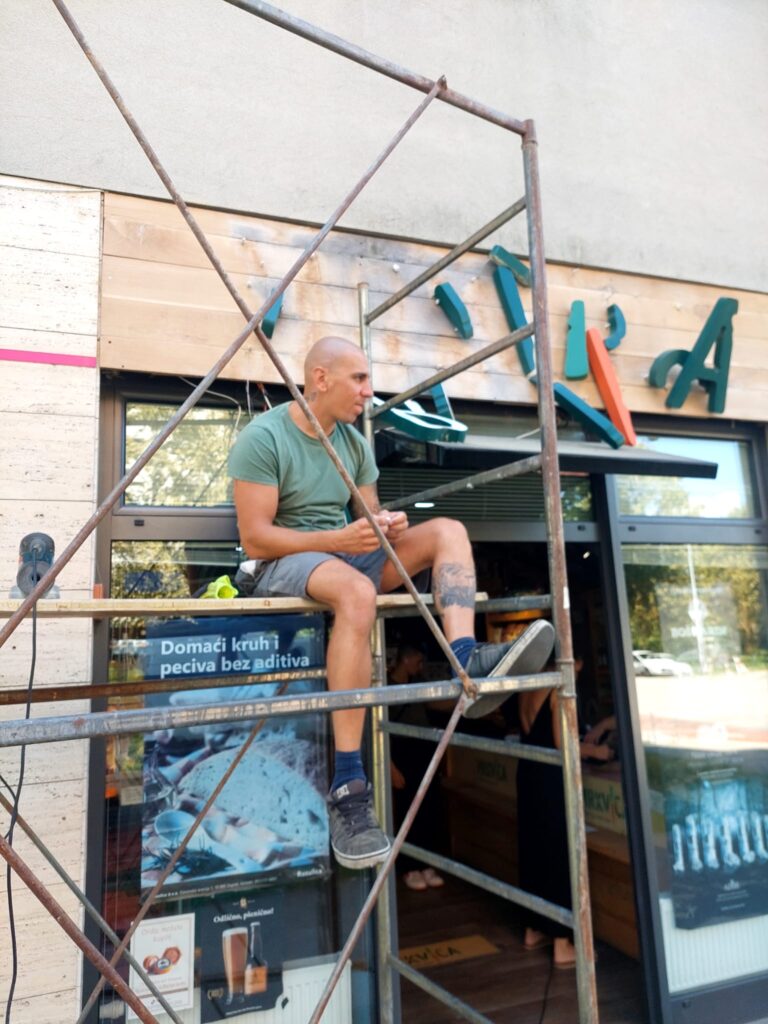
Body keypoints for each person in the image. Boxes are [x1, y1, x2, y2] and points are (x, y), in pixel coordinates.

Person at [229, 336, 554, 871]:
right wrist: (338, 539)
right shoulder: (265, 437)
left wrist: (386, 526)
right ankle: (348, 785)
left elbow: (369, 517)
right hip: (282, 564)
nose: (368, 391)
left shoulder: (353, 444)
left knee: (448, 530)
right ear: (320, 379)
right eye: (358, 378)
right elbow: (256, 539)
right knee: (357, 592)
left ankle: (466, 658)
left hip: (342, 558)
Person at [516, 656, 614, 968]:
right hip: (550, 777)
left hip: (528, 771)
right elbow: (561, 742)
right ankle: (561, 942)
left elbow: (533, 730)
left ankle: (533, 928)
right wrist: (596, 750)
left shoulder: (529, 686)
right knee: (558, 851)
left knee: (534, 848)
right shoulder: (559, 688)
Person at [388, 643, 447, 891]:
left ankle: (426, 862)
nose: (421, 666)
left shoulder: (417, 682)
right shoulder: (385, 686)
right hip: (401, 752)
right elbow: (378, 730)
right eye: (419, 661)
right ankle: (409, 867)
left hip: (422, 749)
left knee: (429, 808)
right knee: (405, 810)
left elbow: (433, 704)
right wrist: (390, 767)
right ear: (407, 659)